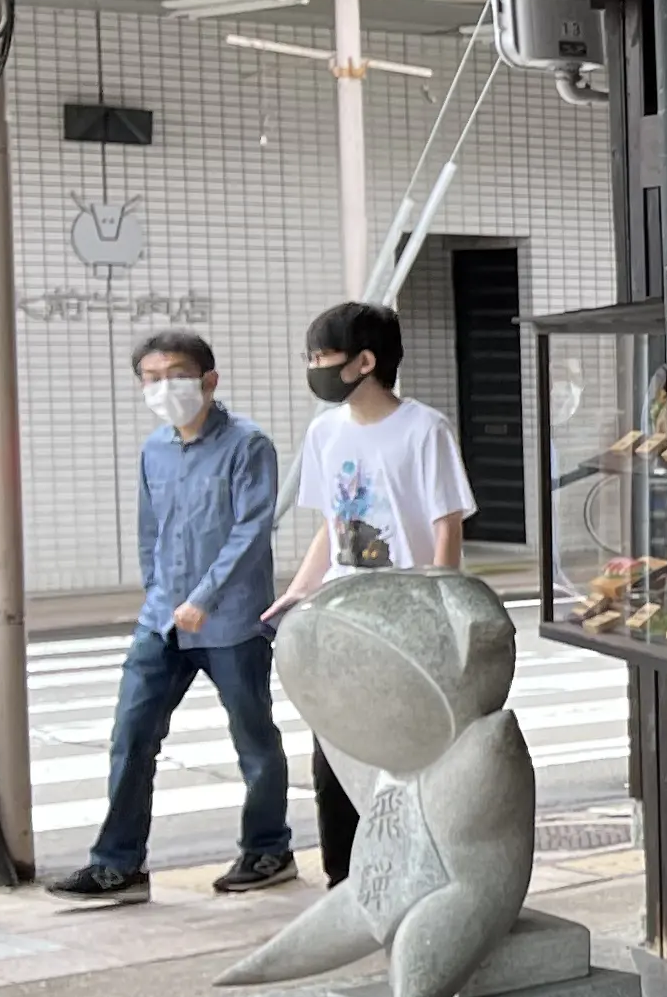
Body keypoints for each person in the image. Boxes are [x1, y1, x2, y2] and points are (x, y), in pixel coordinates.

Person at [47, 333, 300, 905]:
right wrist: (158, 594)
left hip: (231, 621)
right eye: (151, 377)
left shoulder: (248, 445)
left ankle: (268, 848)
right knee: (131, 736)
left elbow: (252, 529)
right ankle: (118, 865)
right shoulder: (153, 449)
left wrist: (205, 597)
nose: (163, 388)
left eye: (176, 374)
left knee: (253, 739)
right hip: (161, 620)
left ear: (209, 380)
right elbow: (150, 531)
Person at [268, 298, 478, 881]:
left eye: (322, 356)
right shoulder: (324, 433)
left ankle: (418, 871)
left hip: (406, 618)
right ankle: (345, 877)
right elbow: (331, 527)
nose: (312, 366)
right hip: (342, 615)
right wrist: (298, 592)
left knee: (407, 751)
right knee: (333, 749)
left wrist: (441, 607)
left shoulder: (424, 429)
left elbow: (446, 524)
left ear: (365, 361)